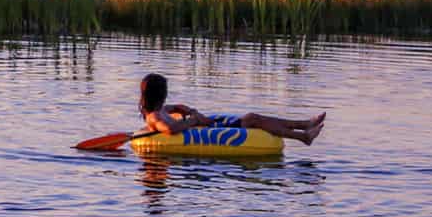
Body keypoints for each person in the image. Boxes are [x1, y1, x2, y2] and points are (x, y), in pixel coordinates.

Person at [137, 72, 324, 144]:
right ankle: (303, 134)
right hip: (205, 132)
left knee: (252, 118)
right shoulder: (154, 117)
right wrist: (193, 120)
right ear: (159, 93)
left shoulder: (161, 109)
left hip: (205, 126)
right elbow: (170, 129)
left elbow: (175, 107)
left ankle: (304, 125)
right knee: (253, 119)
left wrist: (189, 110)